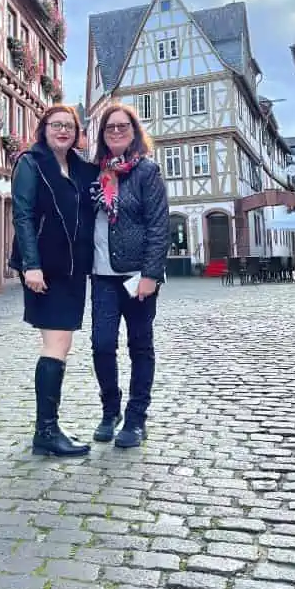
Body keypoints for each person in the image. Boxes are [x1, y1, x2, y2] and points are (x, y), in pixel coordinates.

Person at [9, 104, 97, 458]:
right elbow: (23, 214)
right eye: (55, 124)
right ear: (43, 129)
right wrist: (31, 265)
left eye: (69, 126)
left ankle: (48, 427)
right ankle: (45, 431)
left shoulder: (80, 169)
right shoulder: (31, 163)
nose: (62, 130)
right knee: (56, 344)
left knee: (62, 344)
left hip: (74, 269)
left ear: (77, 133)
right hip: (44, 269)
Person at [88, 101, 169, 449]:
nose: (117, 131)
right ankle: (111, 410)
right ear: (103, 136)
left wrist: (150, 274)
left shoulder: (147, 172)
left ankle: (136, 419)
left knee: (140, 345)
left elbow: (159, 226)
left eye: (123, 126)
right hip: (102, 275)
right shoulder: (95, 172)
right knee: (102, 345)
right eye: (110, 127)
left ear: (134, 132)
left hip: (138, 275)